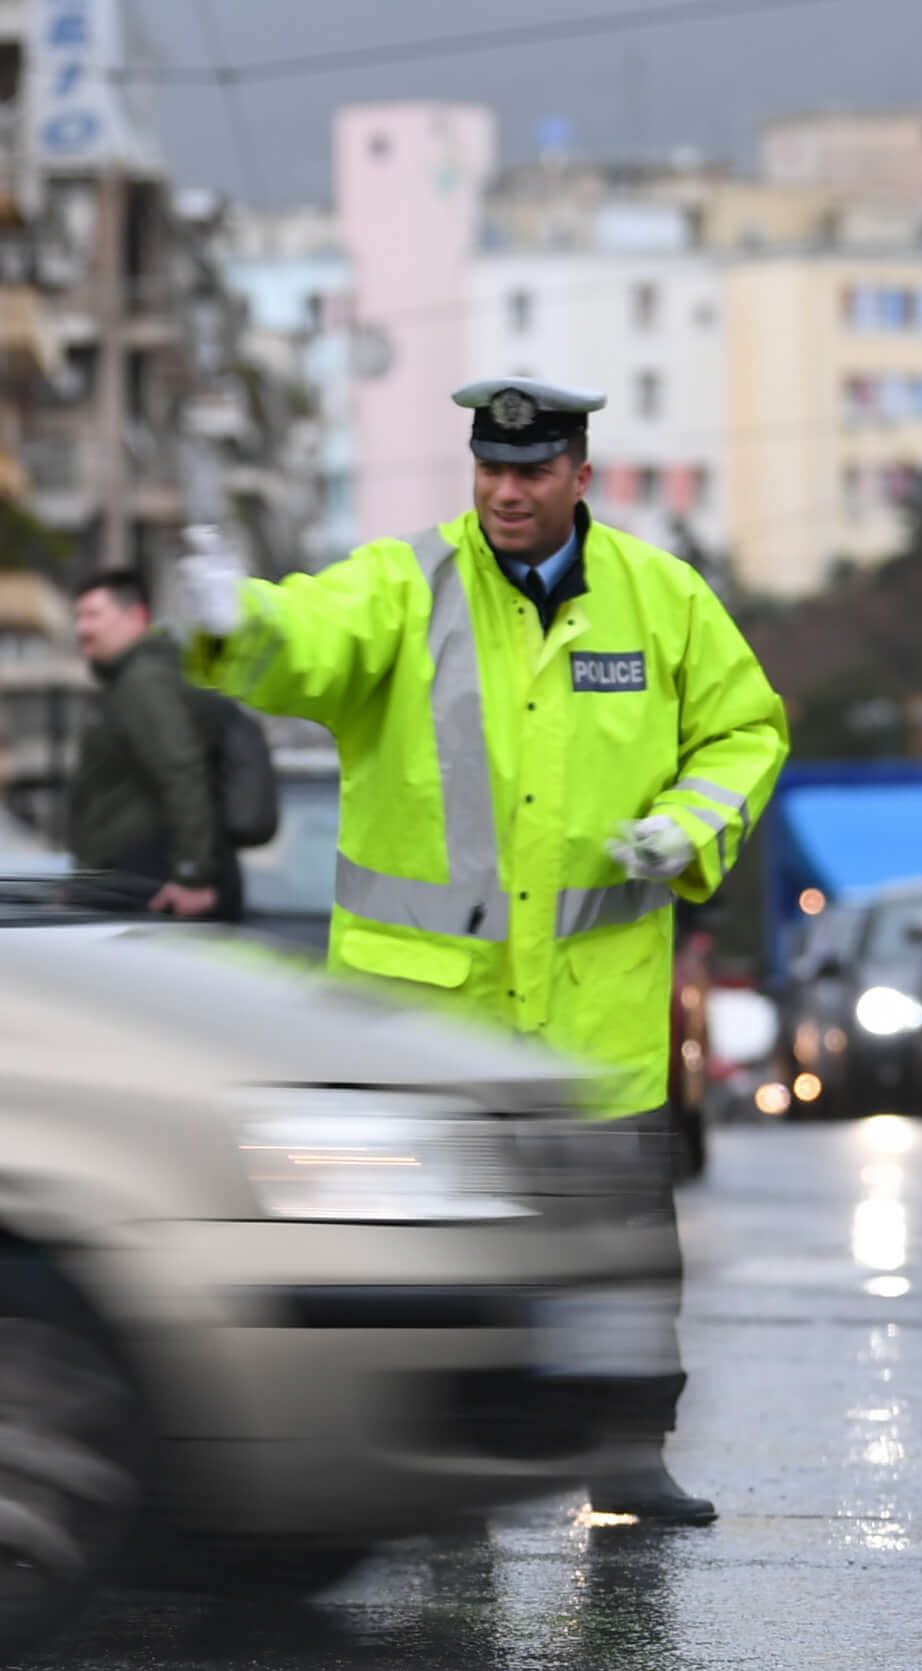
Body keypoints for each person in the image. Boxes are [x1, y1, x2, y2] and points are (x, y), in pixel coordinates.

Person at [174, 377, 790, 1525]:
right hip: (430, 1024)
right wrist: (233, 620)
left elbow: (745, 728)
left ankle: (626, 1452)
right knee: (431, 1254)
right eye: (491, 470)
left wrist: (692, 824)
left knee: (617, 1254)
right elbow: (305, 641)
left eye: (532, 471)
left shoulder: (663, 600)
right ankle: (425, 1459)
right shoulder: (407, 588)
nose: (507, 492)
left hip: (594, 1014)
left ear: (579, 475)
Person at [62, 569, 220, 920]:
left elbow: (180, 770)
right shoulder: (130, 680)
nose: (82, 629)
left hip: (146, 883)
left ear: (136, 617)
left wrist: (193, 875)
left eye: (93, 615)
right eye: (78, 617)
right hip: (129, 878)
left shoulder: (144, 681)